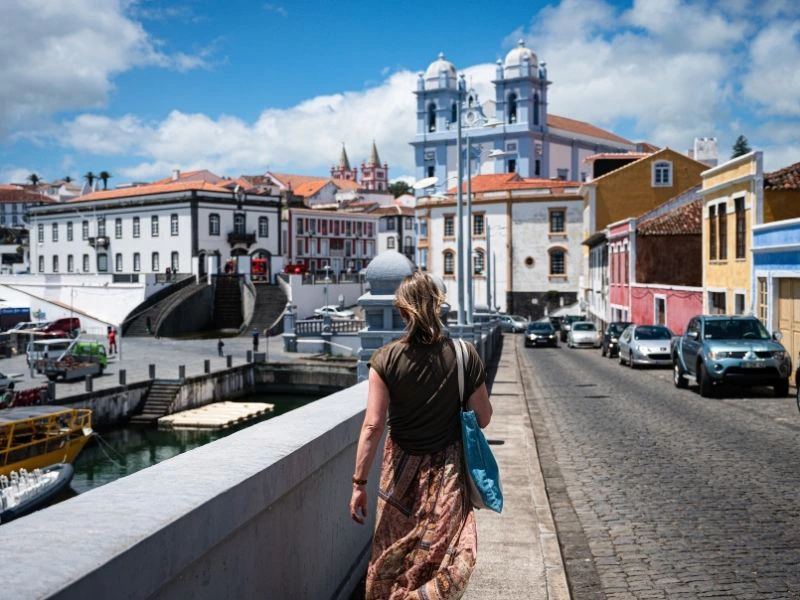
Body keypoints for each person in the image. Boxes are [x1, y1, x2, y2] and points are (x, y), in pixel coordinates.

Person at [349, 271, 493, 599]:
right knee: (438, 559)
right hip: (448, 473)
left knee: (392, 556)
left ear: (402, 312)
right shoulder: (465, 355)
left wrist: (358, 485)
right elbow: (483, 418)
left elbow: (372, 426)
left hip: (398, 475)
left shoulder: (384, 359)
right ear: (440, 307)